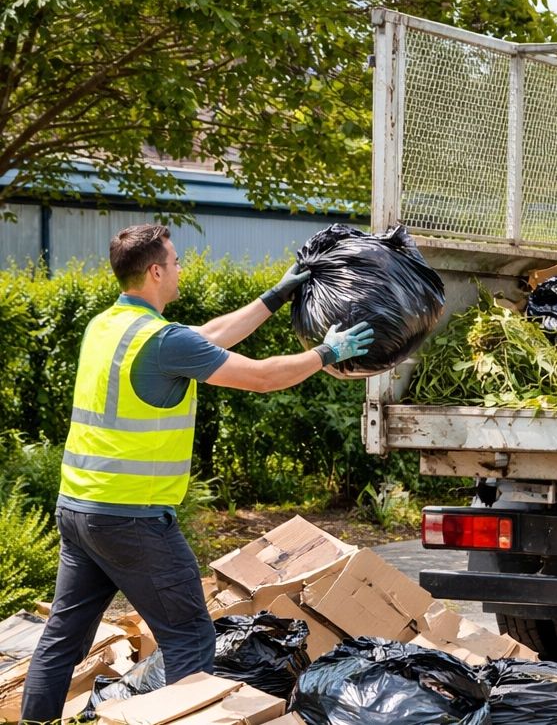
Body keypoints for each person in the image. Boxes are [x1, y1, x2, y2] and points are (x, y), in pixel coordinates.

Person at [20, 224, 374, 723]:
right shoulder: (160, 341)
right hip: (133, 520)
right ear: (156, 271)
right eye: (177, 260)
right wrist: (326, 354)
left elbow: (206, 337)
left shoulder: (107, 326)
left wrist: (276, 295)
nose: (182, 268)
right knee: (189, 637)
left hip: (80, 510)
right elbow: (261, 377)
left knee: (62, 636)